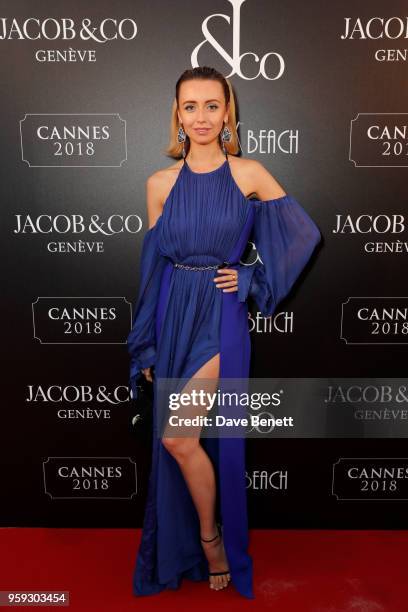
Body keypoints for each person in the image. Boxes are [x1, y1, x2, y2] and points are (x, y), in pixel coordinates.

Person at [127, 65, 321, 598]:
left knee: (176, 436)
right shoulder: (159, 184)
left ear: (228, 111)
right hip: (172, 313)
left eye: (212, 105)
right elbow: (151, 271)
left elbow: (302, 236)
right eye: (190, 106)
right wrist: (144, 340)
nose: (202, 117)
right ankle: (192, 542)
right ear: (178, 115)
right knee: (178, 442)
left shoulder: (250, 174)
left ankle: (213, 544)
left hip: (220, 316)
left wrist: (253, 276)